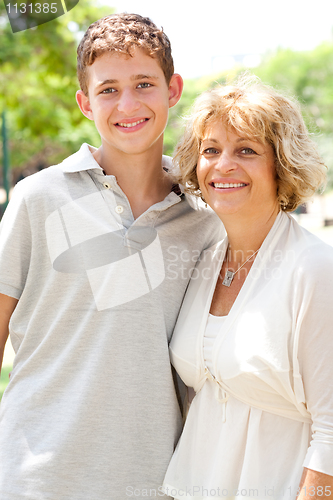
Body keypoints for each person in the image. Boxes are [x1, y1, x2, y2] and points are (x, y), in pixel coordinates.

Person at [0, 13, 222, 500]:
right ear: (84, 102)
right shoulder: (37, 199)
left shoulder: (205, 221)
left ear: (173, 88)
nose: (127, 104)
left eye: (144, 83)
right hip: (35, 479)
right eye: (107, 90)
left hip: (157, 482)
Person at [162, 76, 333, 499]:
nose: (223, 166)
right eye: (211, 150)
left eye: (246, 150)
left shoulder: (312, 268)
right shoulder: (205, 260)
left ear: (282, 164)